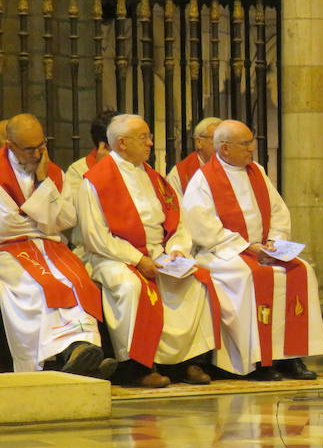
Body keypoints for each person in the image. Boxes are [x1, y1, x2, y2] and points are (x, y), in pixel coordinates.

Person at [77, 114, 221, 388]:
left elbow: (178, 221)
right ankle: (136, 366)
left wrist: (178, 250)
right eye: (143, 137)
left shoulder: (152, 176)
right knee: (131, 286)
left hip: (157, 252)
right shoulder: (95, 182)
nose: (150, 143)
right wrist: (138, 259)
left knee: (193, 281)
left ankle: (184, 361)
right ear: (121, 143)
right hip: (114, 257)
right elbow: (96, 238)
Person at [181, 119, 323, 381]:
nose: (252, 149)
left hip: (262, 250)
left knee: (301, 271)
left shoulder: (256, 172)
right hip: (221, 252)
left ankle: (291, 356)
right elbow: (202, 227)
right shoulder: (203, 180)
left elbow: (279, 212)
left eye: (252, 141)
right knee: (250, 276)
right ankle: (259, 360)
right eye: (245, 144)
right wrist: (247, 247)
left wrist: (274, 242)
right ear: (224, 149)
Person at [0, 113, 114, 377]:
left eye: (41, 145)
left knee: (77, 281)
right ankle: (62, 358)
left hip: (50, 246)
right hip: (9, 249)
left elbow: (66, 218)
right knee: (36, 287)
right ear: (10, 145)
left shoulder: (52, 172)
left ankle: (82, 349)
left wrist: (42, 183)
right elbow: (7, 225)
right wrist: (42, 219)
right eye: (29, 149)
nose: (37, 153)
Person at [61, 109, 118, 262]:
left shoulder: (135, 166)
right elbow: (77, 216)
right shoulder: (77, 170)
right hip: (93, 251)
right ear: (105, 145)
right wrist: (101, 172)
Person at [166, 116, 222, 198]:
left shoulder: (235, 167)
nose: (222, 145)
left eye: (225, 139)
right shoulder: (179, 174)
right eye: (215, 139)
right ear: (199, 142)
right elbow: (177, 207)